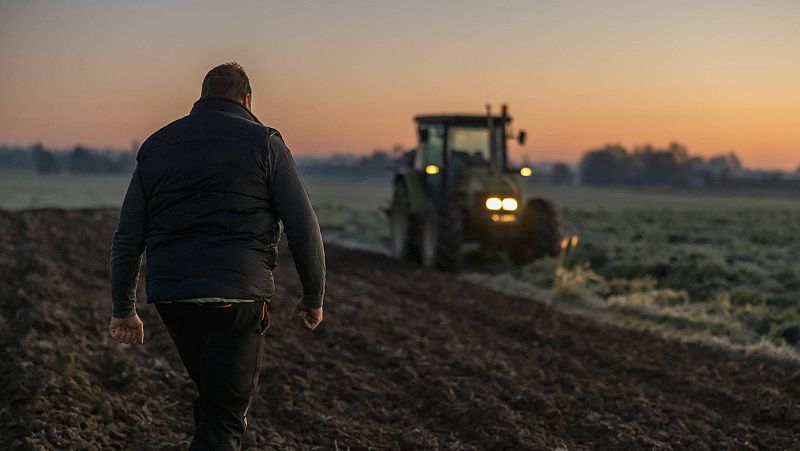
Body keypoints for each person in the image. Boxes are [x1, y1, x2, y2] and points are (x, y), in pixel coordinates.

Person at [108, 62, 326, 450]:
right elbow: (303, 228)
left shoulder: (156, 146)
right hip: (236, 298)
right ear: (246, 99)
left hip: (173, 299)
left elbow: (128, 236)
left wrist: (124, 308)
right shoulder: (265, 143)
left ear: (203, 96)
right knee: (225, 418)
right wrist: (313, 299)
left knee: (214, 404)